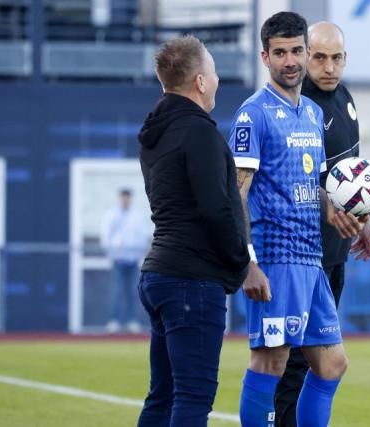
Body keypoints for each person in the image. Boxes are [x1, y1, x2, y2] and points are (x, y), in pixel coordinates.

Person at [228, 12, 364, 427]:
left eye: (297, 51)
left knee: (332, 365)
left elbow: (315, 180)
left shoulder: (309, 112)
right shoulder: (254, 115)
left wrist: (334, 206)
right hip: (276, 258)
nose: (291, 61)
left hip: (312, 259)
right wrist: (248, 262)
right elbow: (236, 196)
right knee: (271, 361)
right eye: (281, 53)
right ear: (265, 58)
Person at [137, 35, 251, 427]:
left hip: (160, 273)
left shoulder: (156, 132)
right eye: (214, 72)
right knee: (193, 397)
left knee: (162, 396)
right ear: (200, 82)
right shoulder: (198, 131)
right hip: (191, 281)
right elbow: (216, 208)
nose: (218, 80)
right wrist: (240, 260)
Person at [273, 21, 370, 427]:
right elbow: (294, 180)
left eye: (336, 58)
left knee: (322, 361)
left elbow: (350, 173)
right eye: (319, 57)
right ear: (304, 55)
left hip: (335, 257)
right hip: (301, 256)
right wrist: (327, 207)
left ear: (346, 59)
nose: (329, 67)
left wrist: (365, 218)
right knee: (295, 361)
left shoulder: (346, 99)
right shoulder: (299, 107)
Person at [100, 188, 150, 334]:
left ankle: (132, 321)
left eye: (127, 198)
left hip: (133, 260)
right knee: (117, 291)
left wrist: (137, 253)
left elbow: (143, 237)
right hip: (118, 260)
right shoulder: (112, 215)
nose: (125, 200)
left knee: (133, 291)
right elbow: (105, 236)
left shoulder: (137, 216)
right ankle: (114, 320)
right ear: (120, 198)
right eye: (123, 198)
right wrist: (112, 253)